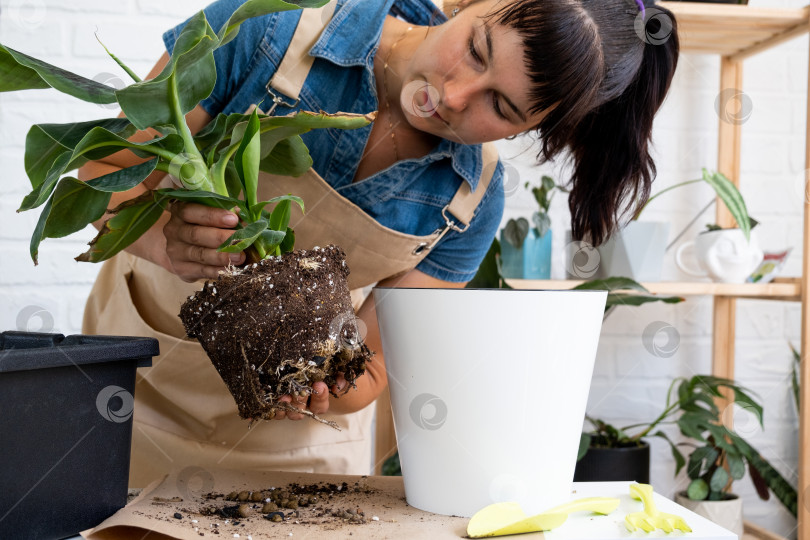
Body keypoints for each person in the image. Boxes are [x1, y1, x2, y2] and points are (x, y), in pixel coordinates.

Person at [78, 0, 679, 487]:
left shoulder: (469, 200)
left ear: (531, 128)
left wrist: (326, 388)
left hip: (295, 452)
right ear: (464, 3)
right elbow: (97, 176)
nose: (455, 96)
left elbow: (373, 369)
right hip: (134, 397)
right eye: (474, 49)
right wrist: (163, 241)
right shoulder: (266, 29)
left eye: (500, 106)